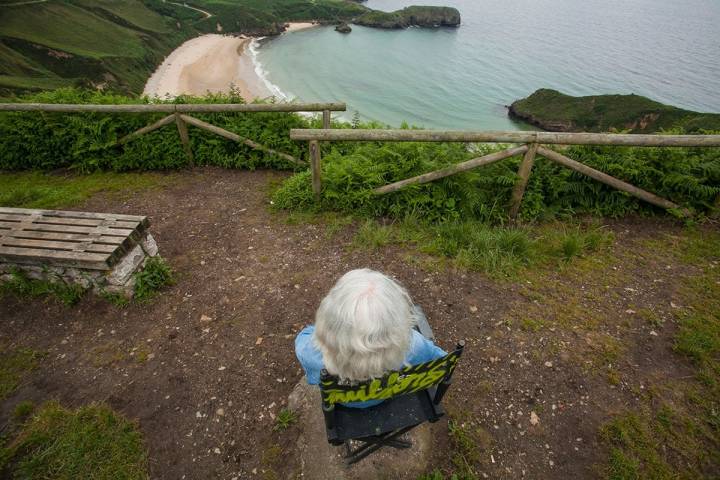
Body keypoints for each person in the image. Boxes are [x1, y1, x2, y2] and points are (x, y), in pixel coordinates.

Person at [295, 268, 446, 408]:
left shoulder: (311, 355)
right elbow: (442, 360)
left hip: (346, 402)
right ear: (399, 320)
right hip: (384, 396)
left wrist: (326, 334)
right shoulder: (414, 347)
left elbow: (304, 336)